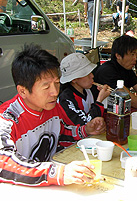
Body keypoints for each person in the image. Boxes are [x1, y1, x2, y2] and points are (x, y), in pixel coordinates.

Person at [0, 44, 106, 186]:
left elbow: (61, 132)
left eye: (56, 83)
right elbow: (3, 162)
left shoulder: (52, 107)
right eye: (46, 87)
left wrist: (85, 130)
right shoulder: (7, 119)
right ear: (23, 91)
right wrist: (57, 173)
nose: (55, 92)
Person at [58, 52, 111, 148]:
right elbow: (87, 125)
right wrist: (99, 101)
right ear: (74, 79)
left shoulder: (89, 90)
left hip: (90, 141)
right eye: (87, 74)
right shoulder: (66, 99)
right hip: (72, 146)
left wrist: (105, 99)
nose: (92, 76)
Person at [94, 35, 137, 110]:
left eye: (136, 54)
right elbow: (130, 99)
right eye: (132, 54)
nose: (135, 58)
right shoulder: (107, 71)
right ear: (118, 56)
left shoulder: (126, 68)